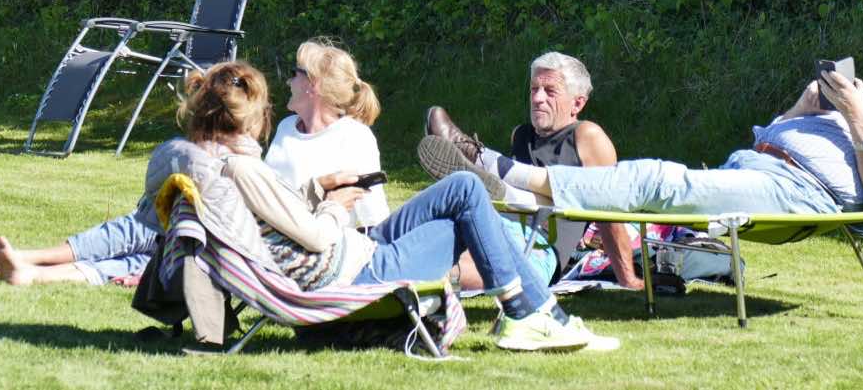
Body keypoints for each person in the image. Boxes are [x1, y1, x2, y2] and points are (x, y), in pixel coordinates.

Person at [220, 78, 619, 353]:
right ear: (253, 117)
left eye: (295, 73)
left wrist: (316, 188)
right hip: (355, 272)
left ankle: (538, 312)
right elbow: (314, 236)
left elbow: (281, 217)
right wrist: (332, 204)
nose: (285, 86)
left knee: (465, 187)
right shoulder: (242, 170)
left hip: (358, 250)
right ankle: (531, 313)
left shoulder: (232, 169)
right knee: (469, 203)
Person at [418, 21, 863, 220]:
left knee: (659, 181)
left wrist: (858, 116)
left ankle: (493, 165)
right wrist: (803, 109)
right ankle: (516, 194)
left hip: (802, 192)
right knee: (659, 183)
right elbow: (768, 135)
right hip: (756, 166)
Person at [0, 61, 270, 286]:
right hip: (180, 246)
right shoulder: (239, 163)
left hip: (185, 249)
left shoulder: (196, 156)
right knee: (133, 248)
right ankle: (30, 267)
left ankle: (30, 263)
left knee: (131, 239)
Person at [422, 51, 642, 289]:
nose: (537, 98)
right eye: (534, 89)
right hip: (492, 223)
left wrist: (627, 279)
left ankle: (482, 160)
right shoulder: (521, 135)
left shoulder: (587, 136)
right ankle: (481, 170)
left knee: (497, 262)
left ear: (577, 103)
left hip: (538, 244)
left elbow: (610, 215)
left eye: (550, 91)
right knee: (433, 243)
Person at [263, 38, 388, 229]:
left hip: (323, 242)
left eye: (294, 74)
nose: (288, 81)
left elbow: (374, 216)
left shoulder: (354, 137)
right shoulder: (286, 127)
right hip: (271, 236)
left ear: (314, 83)